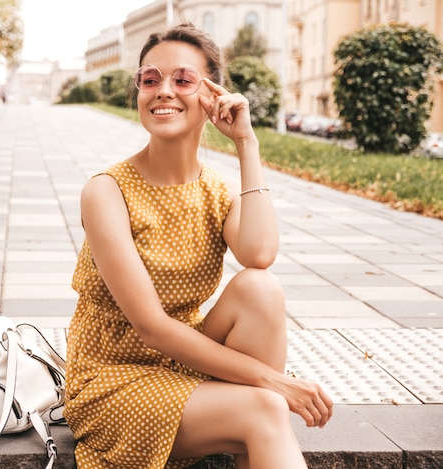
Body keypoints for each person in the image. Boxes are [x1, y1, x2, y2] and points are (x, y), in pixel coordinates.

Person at [64, 23, 333, 469]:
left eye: (183, 80)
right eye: (150, 79)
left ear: (212, 95)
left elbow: (260, 255)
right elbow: (150, 326)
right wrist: (276, 383)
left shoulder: (217, 192)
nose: (163, 91)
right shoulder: (106, 191)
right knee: (266, 406)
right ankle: (258, 425)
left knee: (260, 289)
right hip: (111, 381)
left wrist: (247, 142)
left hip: (184, 363)